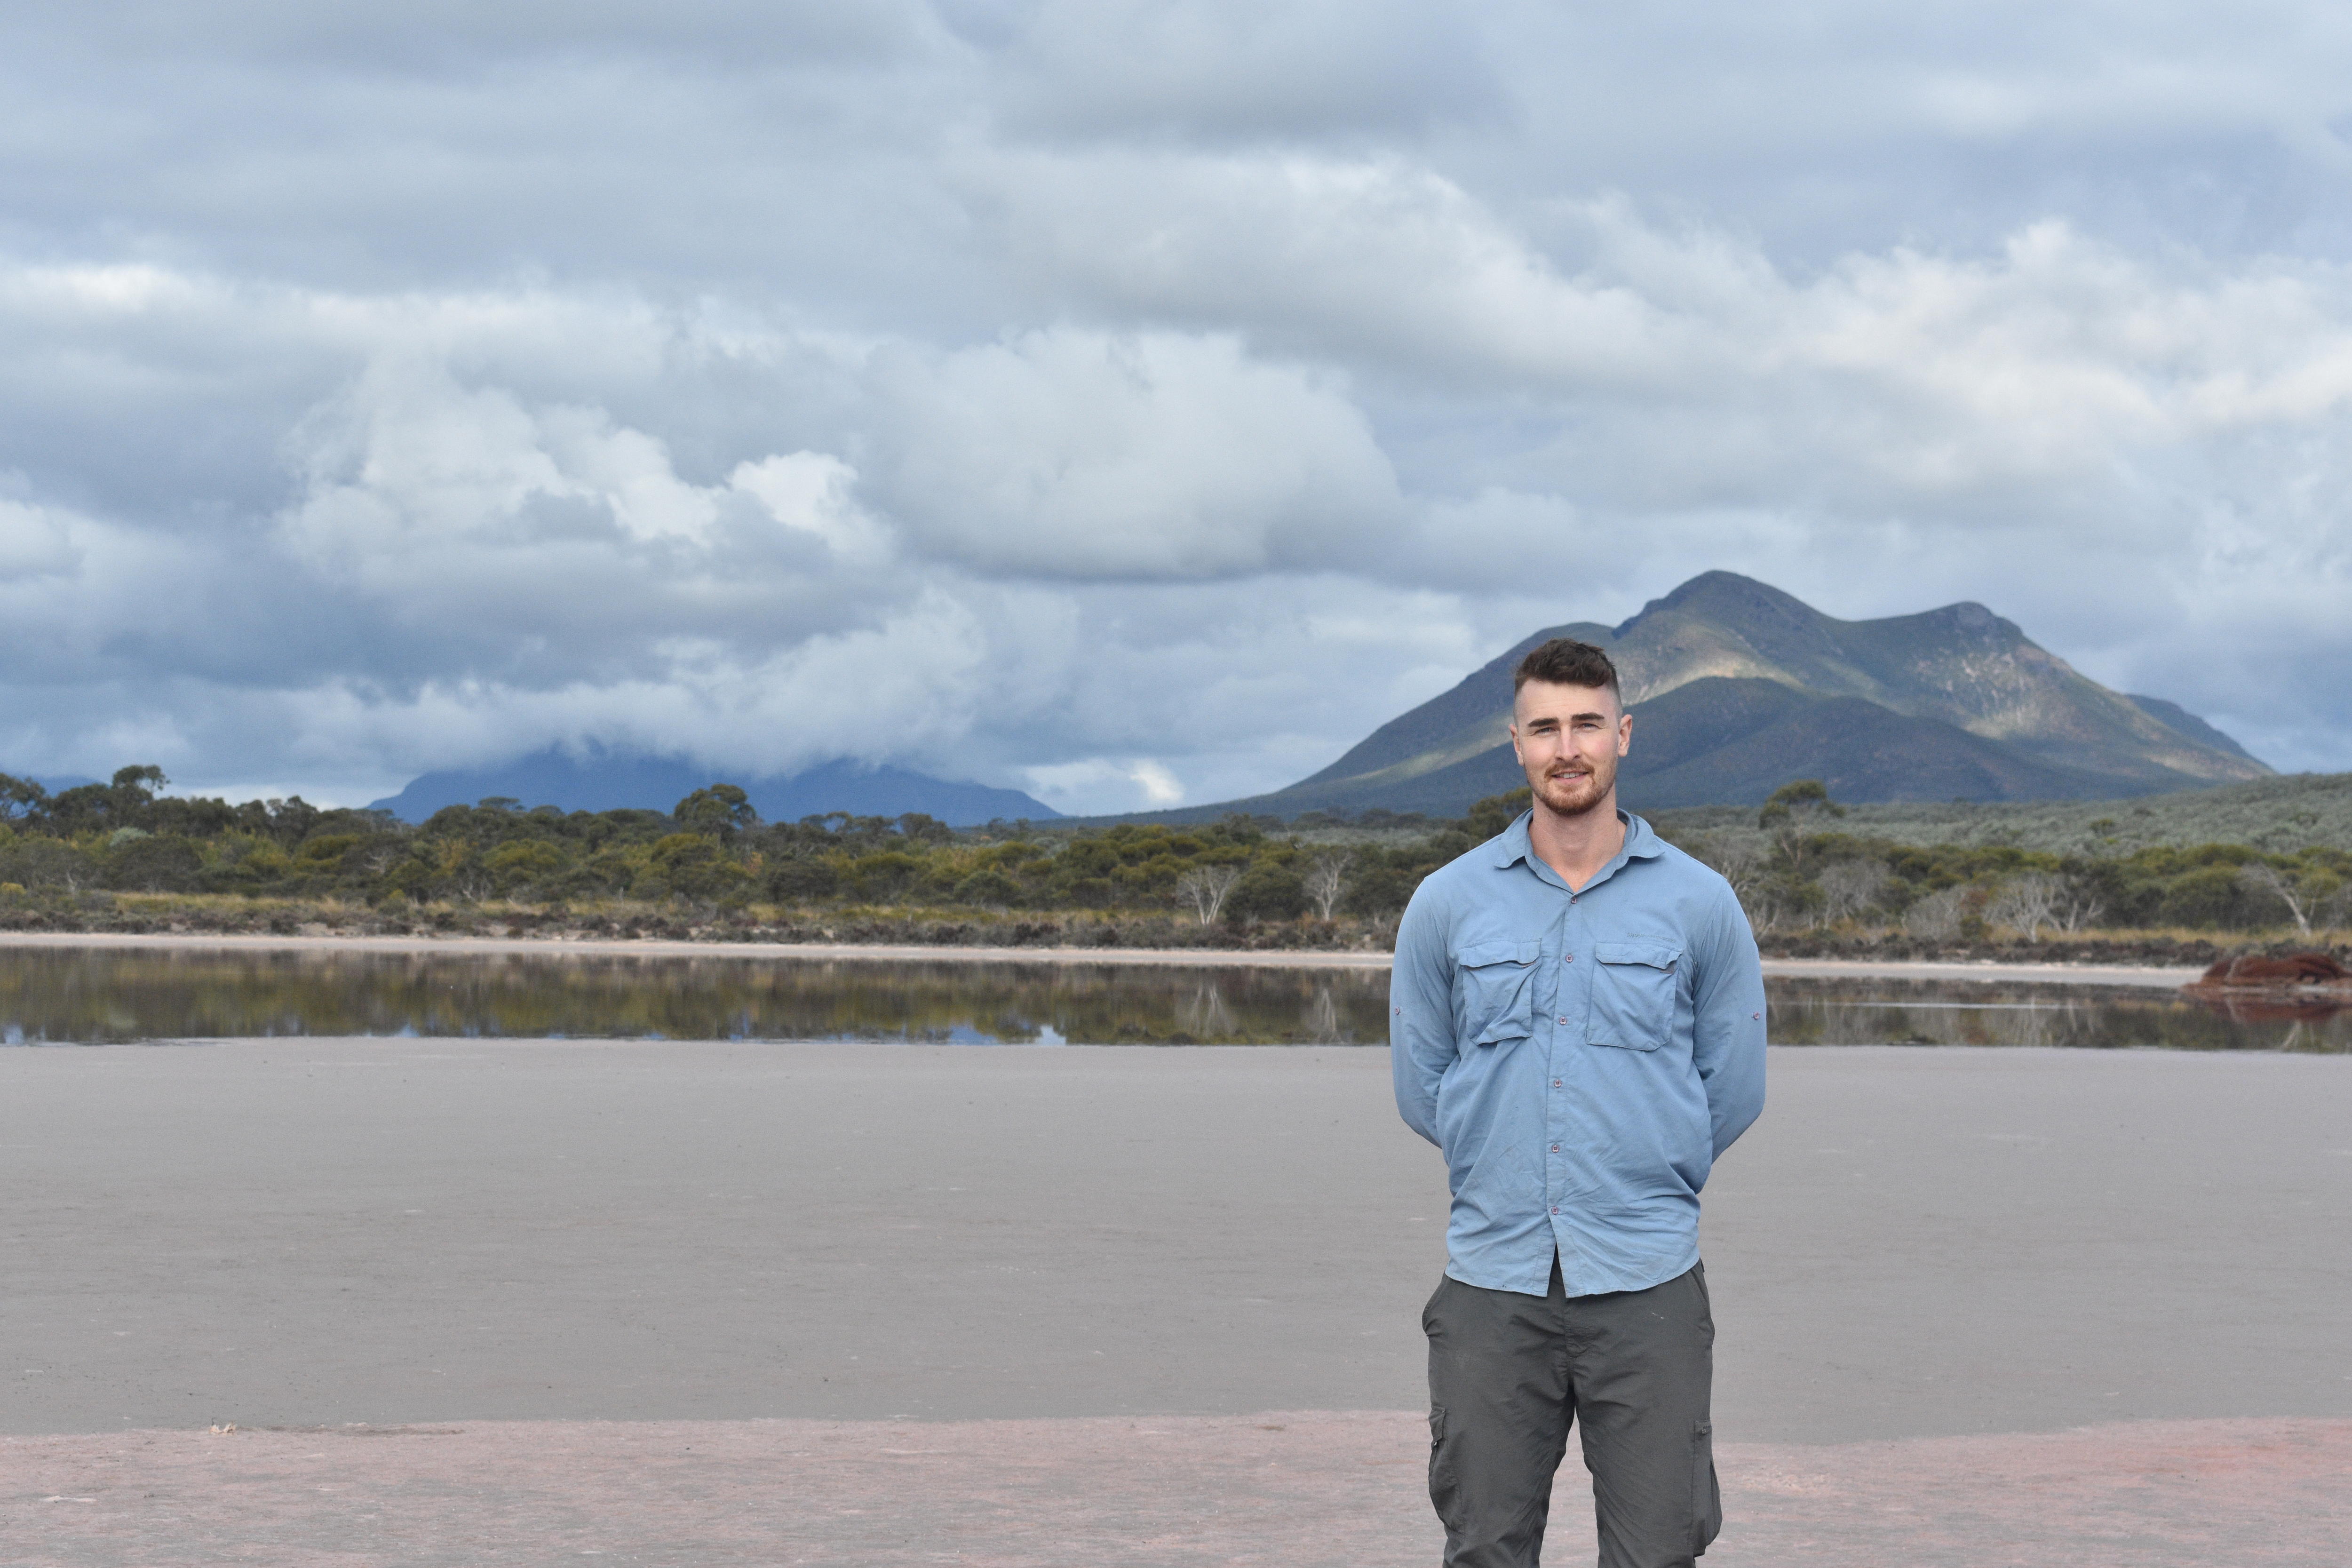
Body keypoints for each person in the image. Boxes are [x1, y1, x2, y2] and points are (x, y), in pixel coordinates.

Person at [1390, 637, 1767, 1568]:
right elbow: (1422, 1084)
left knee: (1658, 1547)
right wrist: (1505, 1160)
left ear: (1622, 735)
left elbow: (1733, 1085)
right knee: (1483, 1546)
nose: (1568, 746)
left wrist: (1645, 1166)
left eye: (1587, 723)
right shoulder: (1446, 903)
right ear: (1514, 742)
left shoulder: (1700, 902)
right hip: (1491, 1284)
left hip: (1647, 1282)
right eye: (1546, 726)